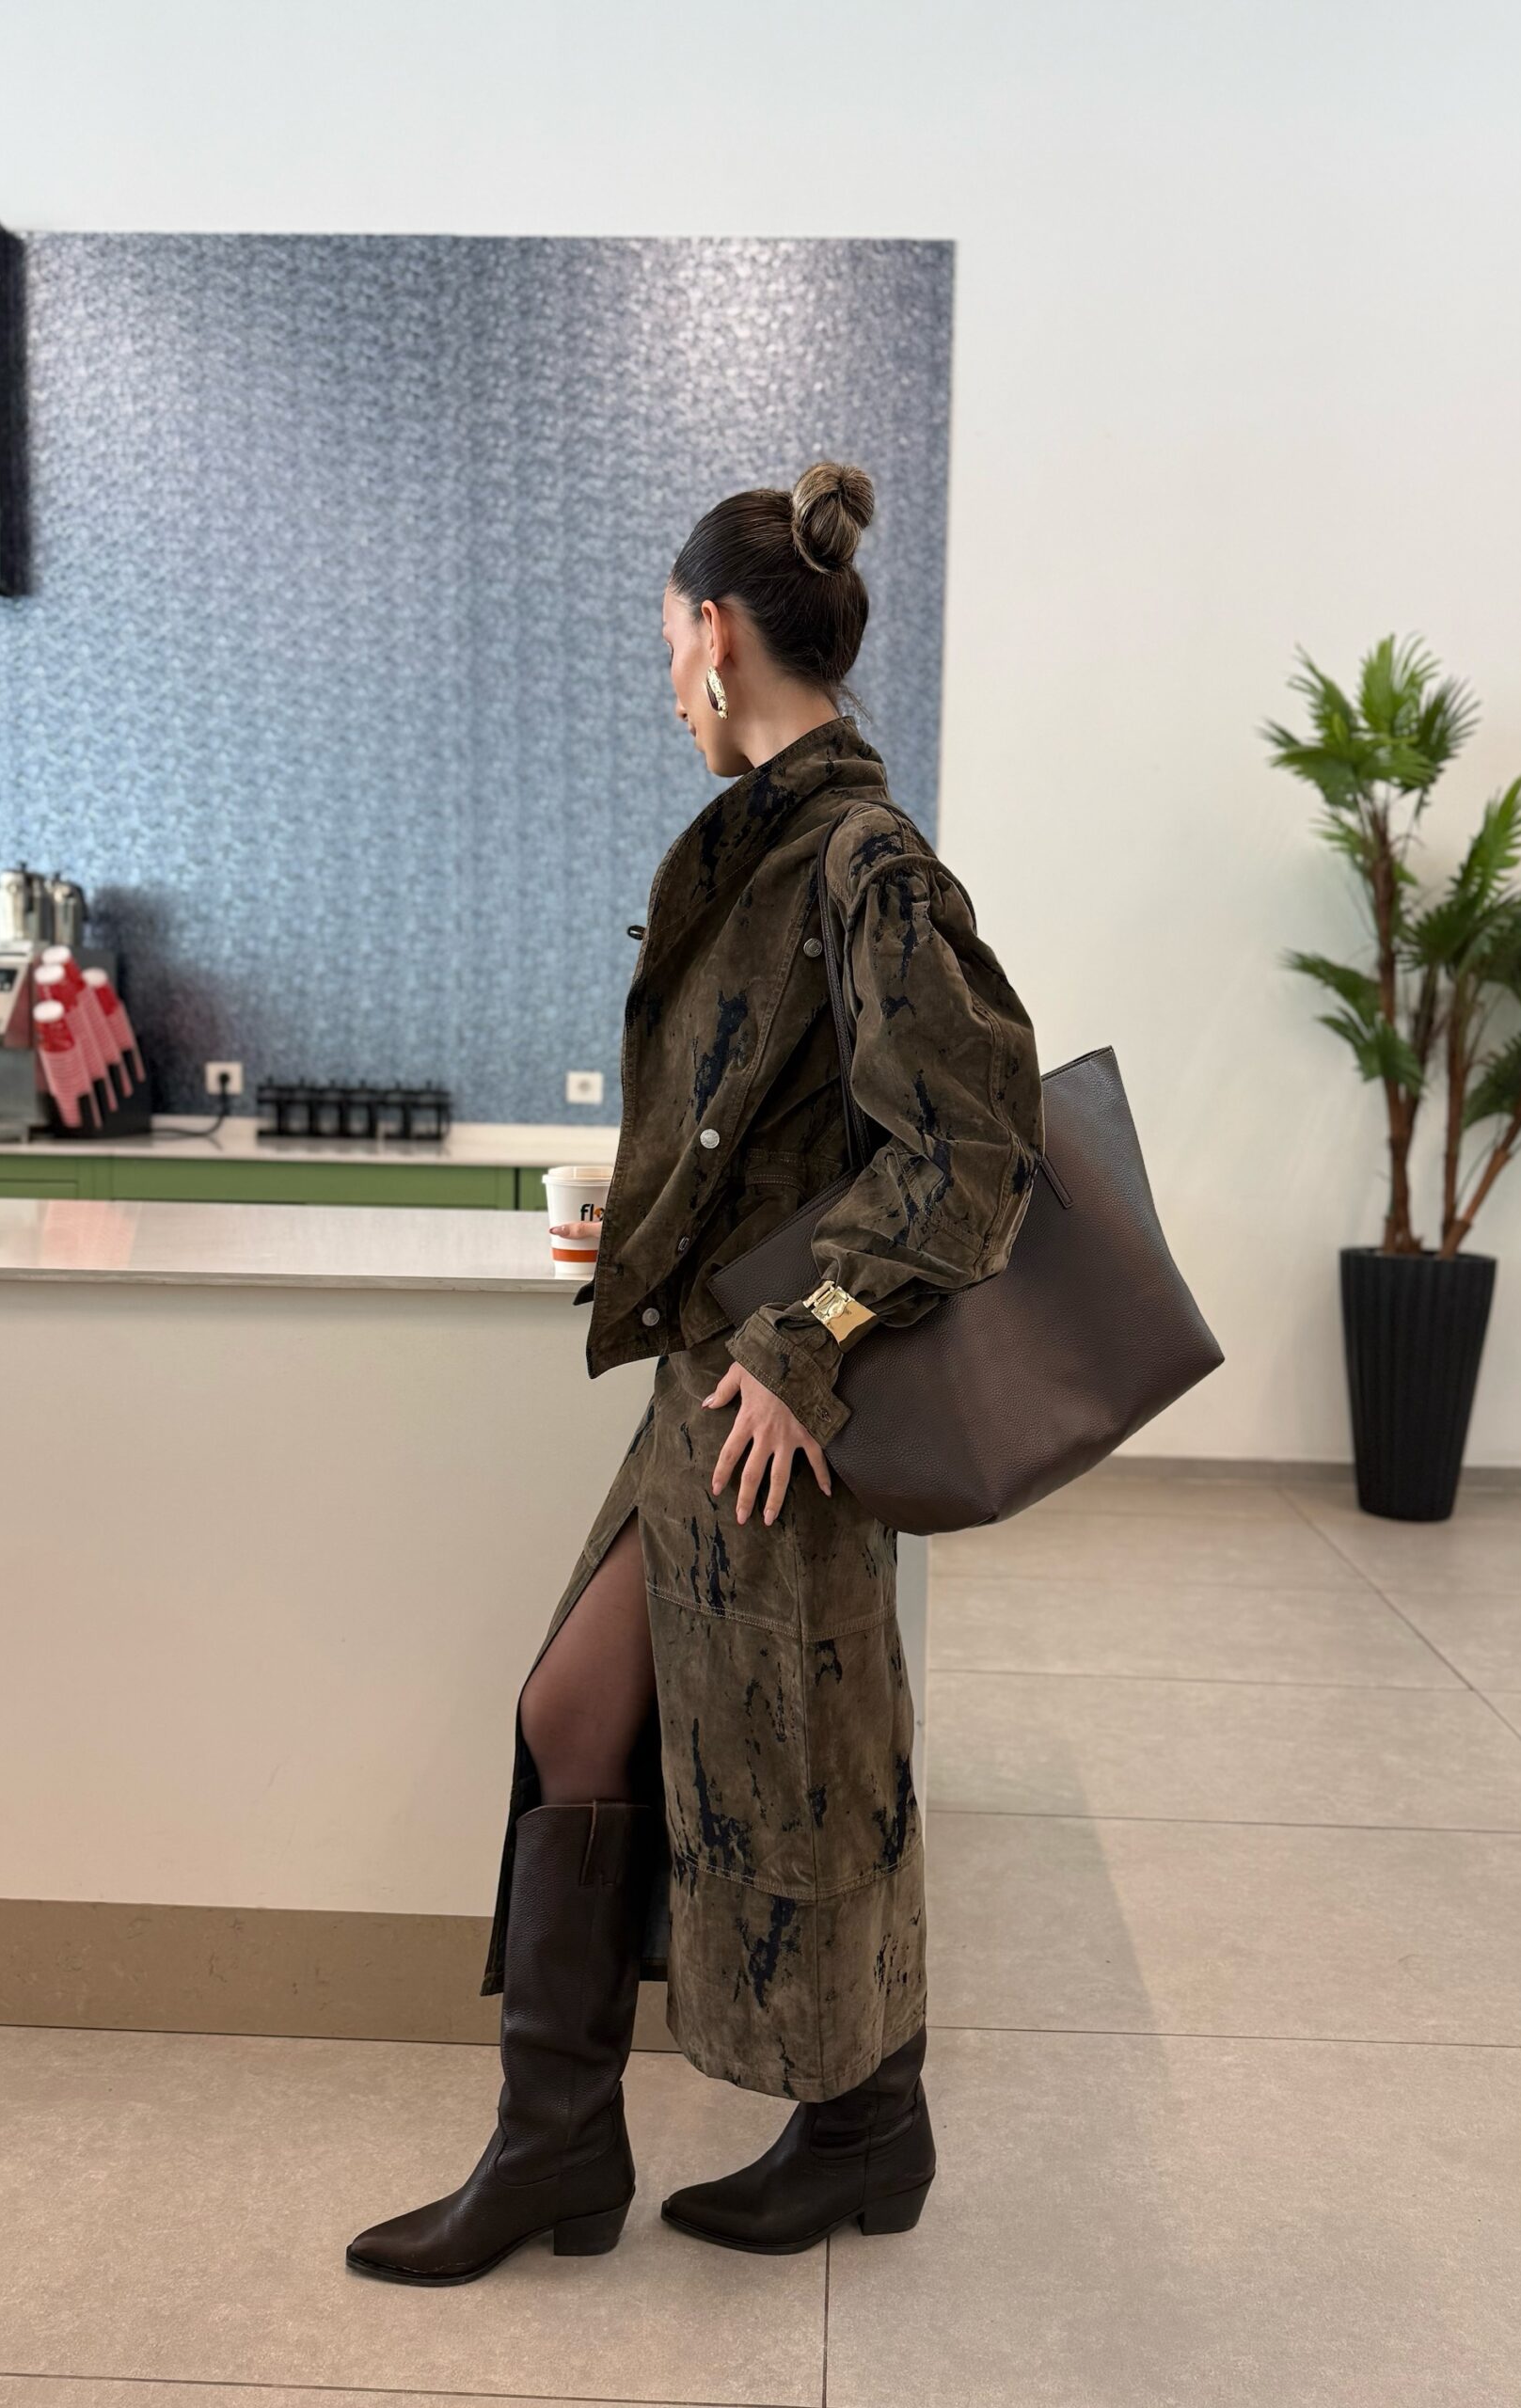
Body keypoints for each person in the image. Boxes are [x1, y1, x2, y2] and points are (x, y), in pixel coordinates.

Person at [346, 460, 1043, 2284]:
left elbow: (969, 1146)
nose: (668, 680)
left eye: (668, 642)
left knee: (797, 1758)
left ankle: (777, 2134)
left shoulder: (863, 860)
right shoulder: (769, 847)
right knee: (615, 1719)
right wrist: (655, 1234)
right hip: (714, 1385)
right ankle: (596, 2148)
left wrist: (810, 1337)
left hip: (776, 1406)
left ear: (717, 635)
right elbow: (788, 1131)